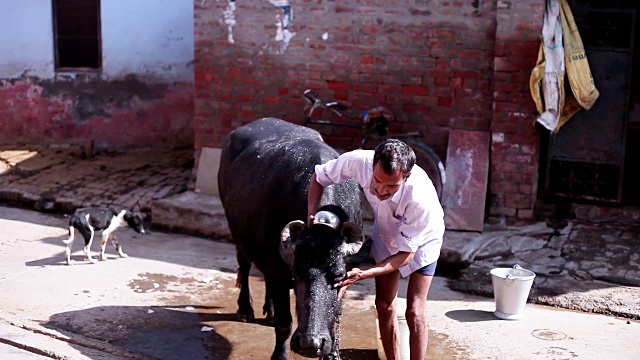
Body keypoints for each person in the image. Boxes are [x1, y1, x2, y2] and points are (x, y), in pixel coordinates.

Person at [307, 138, 445, 360]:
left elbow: (406, 256)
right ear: (372, 166)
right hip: (387, 231)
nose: (381, 190)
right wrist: (310, 216)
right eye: (377, 181)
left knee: (415, 310)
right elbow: (319, 177)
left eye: (392, 186)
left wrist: (363, 274)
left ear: (406, 177)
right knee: (383, 305)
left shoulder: (420, 199)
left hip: (423, 239)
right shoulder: (357, 161)